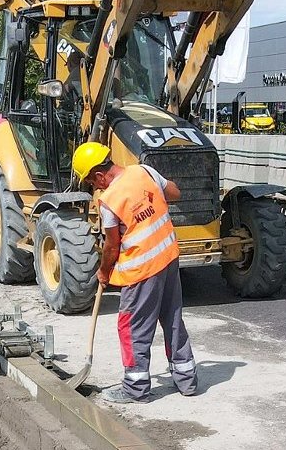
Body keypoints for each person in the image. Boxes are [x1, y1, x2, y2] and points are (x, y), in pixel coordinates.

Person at [72, 142, 197, 403]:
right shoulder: (144, 172)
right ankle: (187, 380)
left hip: (141, 271)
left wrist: (104, 272)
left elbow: (112, 245)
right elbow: (174, 192)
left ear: (98, 175)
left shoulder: (109, 201)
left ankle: (135, 388)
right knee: (172, 319)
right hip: (168, 259)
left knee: (132, 327)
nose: (96, 188)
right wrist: (148, 202)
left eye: (93, 184)